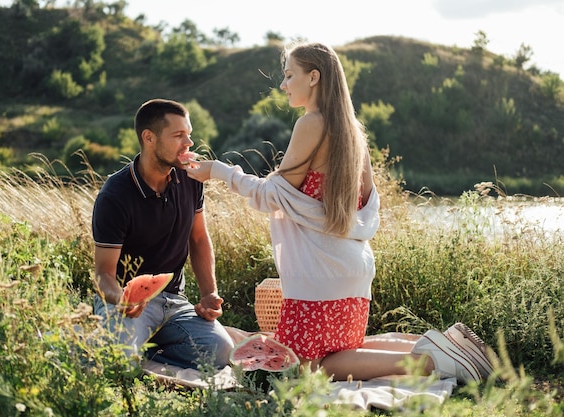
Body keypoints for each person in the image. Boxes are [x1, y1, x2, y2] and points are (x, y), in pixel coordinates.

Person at [186, 42, 495, 383]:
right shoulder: (353, 132)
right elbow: (367, 204)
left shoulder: (311, 124)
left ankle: (432, 363)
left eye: (290, 75)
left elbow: (275, 196)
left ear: (314, 76)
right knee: (342, 351)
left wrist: (219, 170)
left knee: (308, 366)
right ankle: (444, 347)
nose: (284, 85)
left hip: (321, 273)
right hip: (354, 267)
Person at [91, 98, 234, 370]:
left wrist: (208, 293)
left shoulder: (191, 179)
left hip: (174, 302)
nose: (189, 144)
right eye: (178, 136)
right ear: (149, 138)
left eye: (189, 135)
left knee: (221, 351)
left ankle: (145, 350)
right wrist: (122, 299)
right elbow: (103, 274)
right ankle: (129, 344)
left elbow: (199, 239)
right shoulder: (116, 194)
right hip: (124, 304)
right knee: (117, 359)